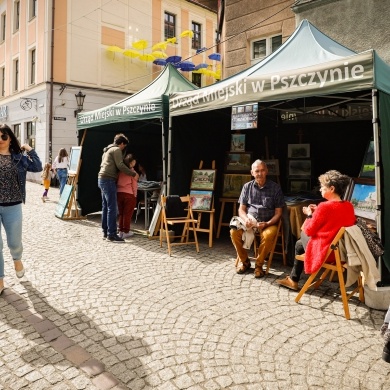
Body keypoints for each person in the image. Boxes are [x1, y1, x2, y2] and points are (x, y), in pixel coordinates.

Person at [277, 170, 356, 291]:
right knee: (300, 243)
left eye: (323, 187)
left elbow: (308, 231)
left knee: (301, 237)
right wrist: (318, 210)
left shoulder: (325, 207)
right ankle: (293, 279)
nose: (320, 189)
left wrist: (309, 215)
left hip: (327, 252)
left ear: (332, 189)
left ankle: (293, 280)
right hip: (342, 251)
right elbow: (334, 218)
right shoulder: (348, 206)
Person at [0, 124, 42, 295]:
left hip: (13, 205)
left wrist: (30, 149)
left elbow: (37, 167)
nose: (0, 140)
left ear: (10, 139)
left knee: (14, 243)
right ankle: (0, 279)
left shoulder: (19, 157)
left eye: (3, 136)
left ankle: (17, 259)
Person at [231, 159, 285, 278]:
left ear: (266, 171)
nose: (259, 173)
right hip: (250, 221)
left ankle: (259, 265)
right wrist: (245, 220)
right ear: (252, 173)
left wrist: (267, 223)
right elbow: (241, 209)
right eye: (257, 171)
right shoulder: (247, 187)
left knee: (269, 235)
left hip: (268, 223)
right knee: (234, 231)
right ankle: (245, 261)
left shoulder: (275, 188)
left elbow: (278, 213)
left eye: (262, 170)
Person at [98, 133, 138, 243]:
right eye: (124, 146)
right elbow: (120, 165)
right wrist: (132, 174)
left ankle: (105, 232)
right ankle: (112, 234)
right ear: (121, 143)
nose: (124, 148)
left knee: (105, 207)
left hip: (101, 178)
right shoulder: (116, 150)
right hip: (108, 179)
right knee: (112, 208)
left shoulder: (107, 150)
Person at [117, 153, 138, 239]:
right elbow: (134, 185)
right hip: (129, 194)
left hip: (119, 193)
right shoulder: (132, 172)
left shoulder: (120, 171)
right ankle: (126, 231)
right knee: (127, 214)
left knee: (121, 213)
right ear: (132, 162)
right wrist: (135, 195)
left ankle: (121, 231)